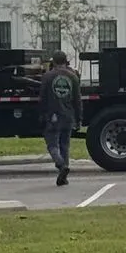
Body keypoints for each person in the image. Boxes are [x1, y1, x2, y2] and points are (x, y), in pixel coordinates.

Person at [40, 50, 81, 186]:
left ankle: (61, 165)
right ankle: (63, 177)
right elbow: (77, 100)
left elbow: (43, 99)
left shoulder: (47, 77)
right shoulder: (73, 77)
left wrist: (42, 115)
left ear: (54, 62)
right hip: (68, 115)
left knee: (52, 144)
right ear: (65, 61)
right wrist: (79, 118)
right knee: (65, 146)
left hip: (53, 116)